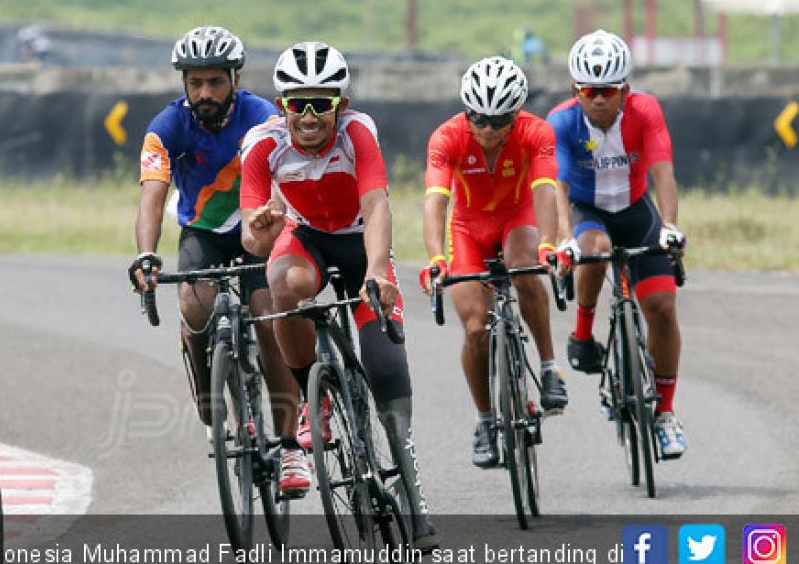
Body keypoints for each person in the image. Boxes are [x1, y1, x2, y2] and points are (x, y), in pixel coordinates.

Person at [240, 41, 436, 548]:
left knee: (386, 365)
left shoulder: (358, 134)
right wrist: (262, 230)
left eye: (320, 103)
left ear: (340, 106)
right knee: (283, 283)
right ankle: (315, 399)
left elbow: (376, 208)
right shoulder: (261, 145)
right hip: (305, 237)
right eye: (297, 103)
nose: (308, 116)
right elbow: (252, 238)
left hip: (358, 242)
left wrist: (377, 271)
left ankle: (414, 501)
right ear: (282, 106)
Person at [127, 26, 302, 488]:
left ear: (235, 81)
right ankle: (210, 408)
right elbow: (152, 195)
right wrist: (147, 254)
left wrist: (276, 227)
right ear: (184, 84)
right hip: (201, 230)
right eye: (195, 82)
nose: (205, 92)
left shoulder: (264, 116)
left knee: (269, 317)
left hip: (257, 230)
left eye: (215, 82)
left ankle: (288, 446)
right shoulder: (165, 127)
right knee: (194, 307)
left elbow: (285, 182)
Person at [418, 56, 572, 469]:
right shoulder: (447, 137)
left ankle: (549, 366)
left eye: (498, 120)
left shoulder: (536, 132)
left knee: (524, 266)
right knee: (474, 328)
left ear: (516, 114)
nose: (486, 129)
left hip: (516, 217)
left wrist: (549, 244)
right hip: (468, 228)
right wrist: (436, 259)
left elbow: (545, 190)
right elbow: (435, 202)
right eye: (478, 119)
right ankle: (486, 420)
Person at [547, 29, 688, 458]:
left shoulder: (645, 111)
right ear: (576, 90)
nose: (600, 99)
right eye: (590, 90)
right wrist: (563, 238)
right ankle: (583, 336)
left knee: (662, 308)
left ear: (625, 89)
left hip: (635, 211)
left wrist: (669, 225)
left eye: (609, 90)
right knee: (595, 250)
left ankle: (664, 414)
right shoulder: (562, 121)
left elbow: (662, 167)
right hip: (588, 211)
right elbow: (558, 185)